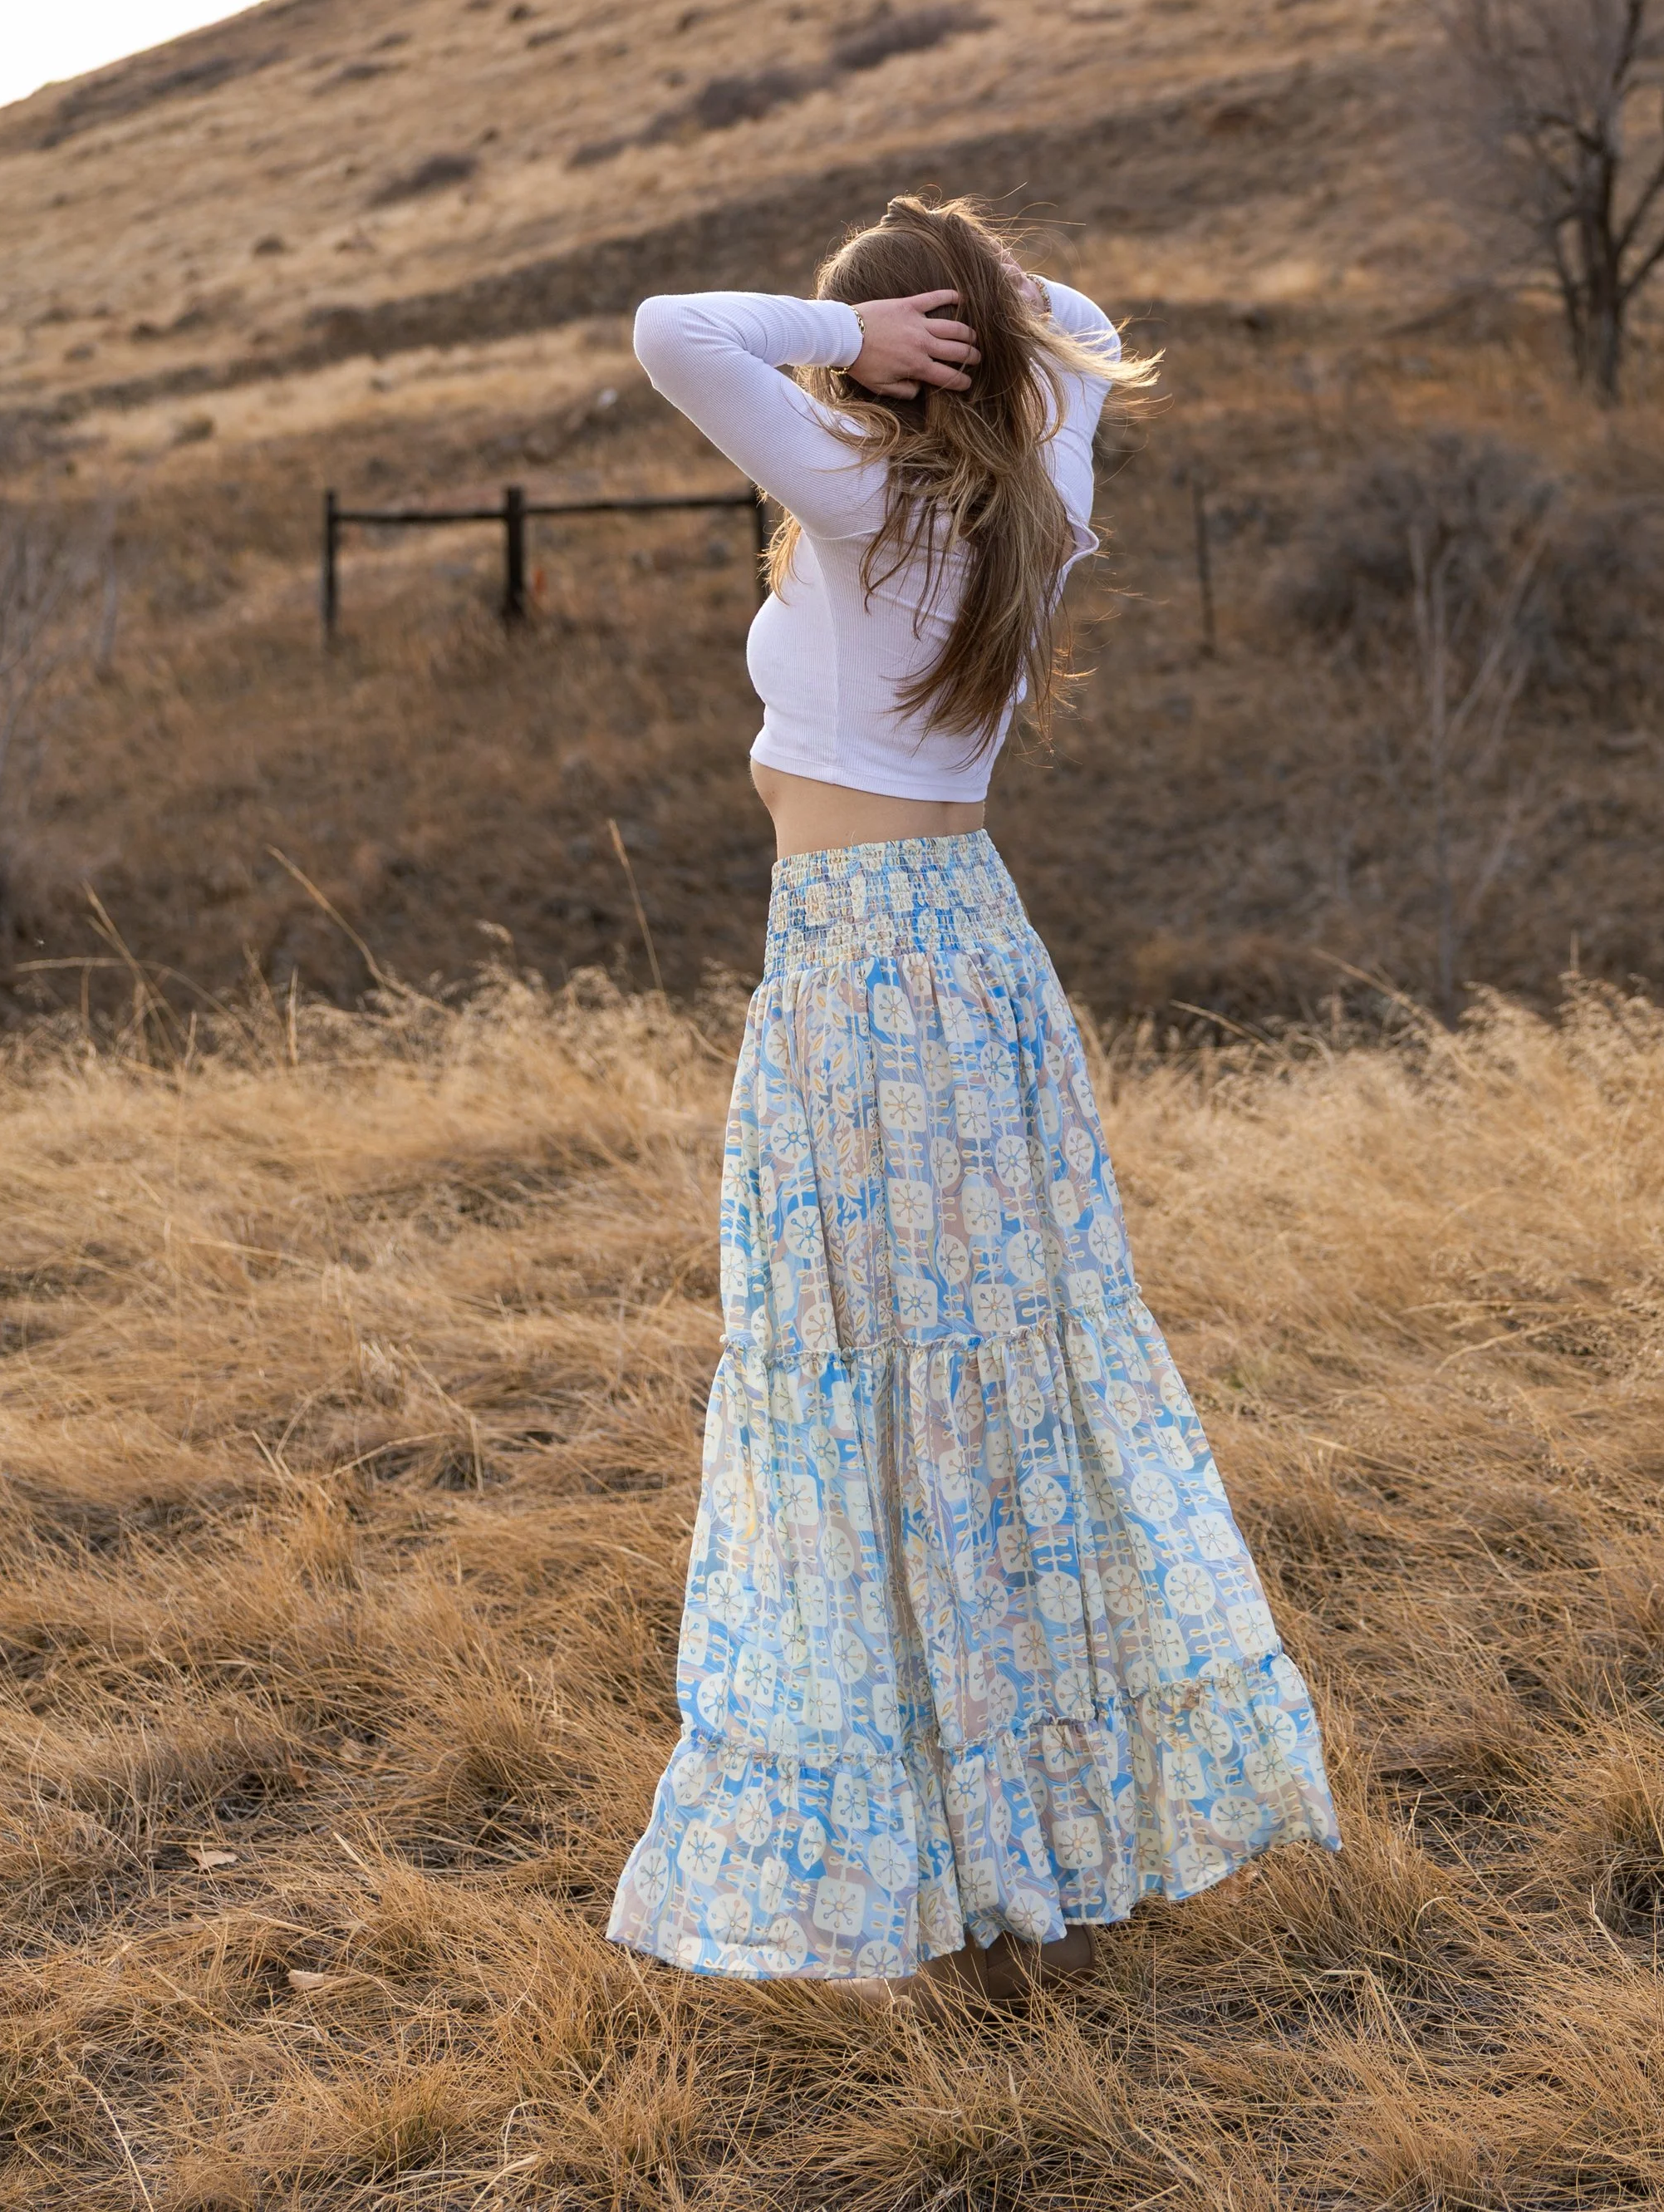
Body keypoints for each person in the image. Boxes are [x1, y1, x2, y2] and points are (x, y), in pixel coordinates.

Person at [606, 194, 1338, 1998]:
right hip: (972, 960)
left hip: (865, 974)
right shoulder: (1043, 495)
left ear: (880, 370)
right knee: (985, 1368)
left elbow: (666, 329)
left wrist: (853, 339)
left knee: (871, 1371)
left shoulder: (865, 493)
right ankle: (1013, 1802)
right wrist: (990, 315)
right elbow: (1077, 307)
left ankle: (935, 1827)